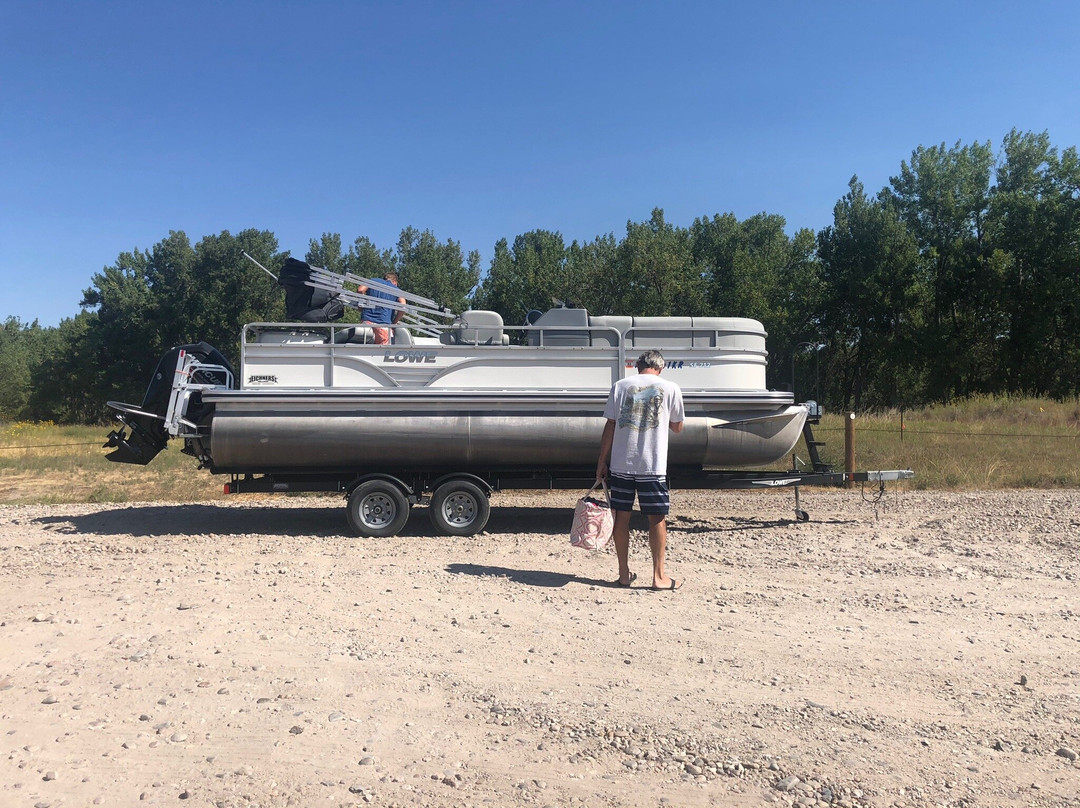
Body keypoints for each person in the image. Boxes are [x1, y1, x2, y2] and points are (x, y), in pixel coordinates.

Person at [596, 350, 685, 591]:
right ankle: (658, 577)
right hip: (652, 465)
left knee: (621, 517)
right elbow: (677, 427)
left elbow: (611, 425)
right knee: (656, 518)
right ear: (661, 367)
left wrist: (602, 461)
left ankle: (624, 574)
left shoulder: (620, 386)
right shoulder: (671, 387)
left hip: (621, 463)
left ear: (637, 366)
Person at [357, 272, 407, 345]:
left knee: (365, 348)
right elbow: (403, 306)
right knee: (382, 352)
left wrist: (361, 305)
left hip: (367, 322)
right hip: (384, 325)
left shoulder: (373, 281)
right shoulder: (396, 290)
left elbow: (360, 290)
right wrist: (394, 322)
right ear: (395, 282)